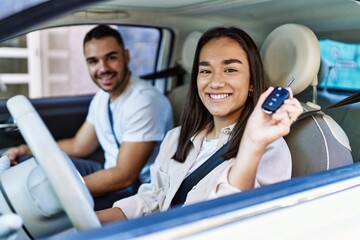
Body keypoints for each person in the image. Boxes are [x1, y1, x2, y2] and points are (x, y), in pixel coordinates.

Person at [96, 26, 303, 223]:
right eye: (205, 71)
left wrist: (252, 143)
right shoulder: (176, 139)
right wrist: (92, 221)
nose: (215, 82)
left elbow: (236, 221)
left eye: (230, 70)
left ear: (251, 83)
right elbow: (152, 200)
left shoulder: (269, 150)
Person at [2, 25, 173, 210]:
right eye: (93, 61)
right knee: (26, 165)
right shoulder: (102, 97)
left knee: (47, 202)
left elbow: (125, 176)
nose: (103, 68)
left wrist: (65, 190)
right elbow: (78, 145)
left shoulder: (144, 101)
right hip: (108, 171)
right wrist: (26, 150)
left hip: (135, 190)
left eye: (111, 57)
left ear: (126, 56)